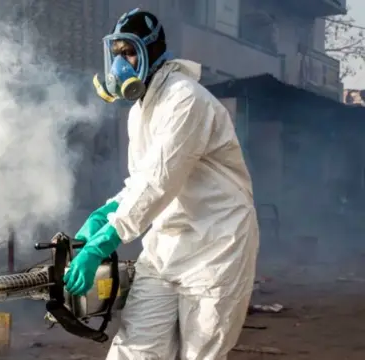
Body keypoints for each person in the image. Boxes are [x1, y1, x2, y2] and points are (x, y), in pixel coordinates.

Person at [63, 8, 260, 360]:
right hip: (165, 247)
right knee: (135, 350)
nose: (120, 64)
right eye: (116, 53)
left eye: (130, 52)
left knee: (200, 354)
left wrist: (105, 240)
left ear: (153, 52)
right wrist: (105, 212)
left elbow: (159, 180)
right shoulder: (141, 110)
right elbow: (141, 180)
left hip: (215, 246)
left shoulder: (186, 100)